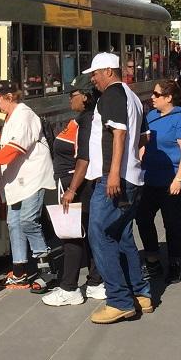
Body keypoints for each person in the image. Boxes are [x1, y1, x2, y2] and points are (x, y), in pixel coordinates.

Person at [80, 53, 153, 324]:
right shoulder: (132, 96)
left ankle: (119, 301)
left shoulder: (111, 95)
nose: (93, 79)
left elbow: (119, 134)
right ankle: (141, 294)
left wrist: (113, 174)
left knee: (99, 233)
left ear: (109, 72)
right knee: (122, 235)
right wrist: (132, 163)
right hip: (131, 176)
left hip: (113, 179)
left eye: (95, 74)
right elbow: (144, 137)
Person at [0, 80, 55, 290]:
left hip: (32, 178)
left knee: (28, 220)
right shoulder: (11, 117)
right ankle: (19, 272)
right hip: (18, 180)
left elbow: (14, 149)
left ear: (9, 97)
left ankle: (47, 269)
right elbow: (14, 138)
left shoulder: (24, 115)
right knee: (14, 223)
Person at [43, 76, 105, 306]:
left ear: (86, 97)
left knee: (71, 237)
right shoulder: (83, 119)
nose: (69, 99)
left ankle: (69, 288)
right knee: (85, 234)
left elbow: (84, 159)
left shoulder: (88, 121)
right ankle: (95, 282)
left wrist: (71, 189)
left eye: (73, 95)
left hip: (76, 184)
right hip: (74, 182)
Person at [136, 79, 181, 284]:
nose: (152, 97)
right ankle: (152, 261)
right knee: (143, 217)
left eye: (156, 94)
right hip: (150, 177)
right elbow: (144, 143)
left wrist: (178, 179)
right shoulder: (151, 116)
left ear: (169, 98)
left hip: (173, 179)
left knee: (171, 221)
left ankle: (175, 264)